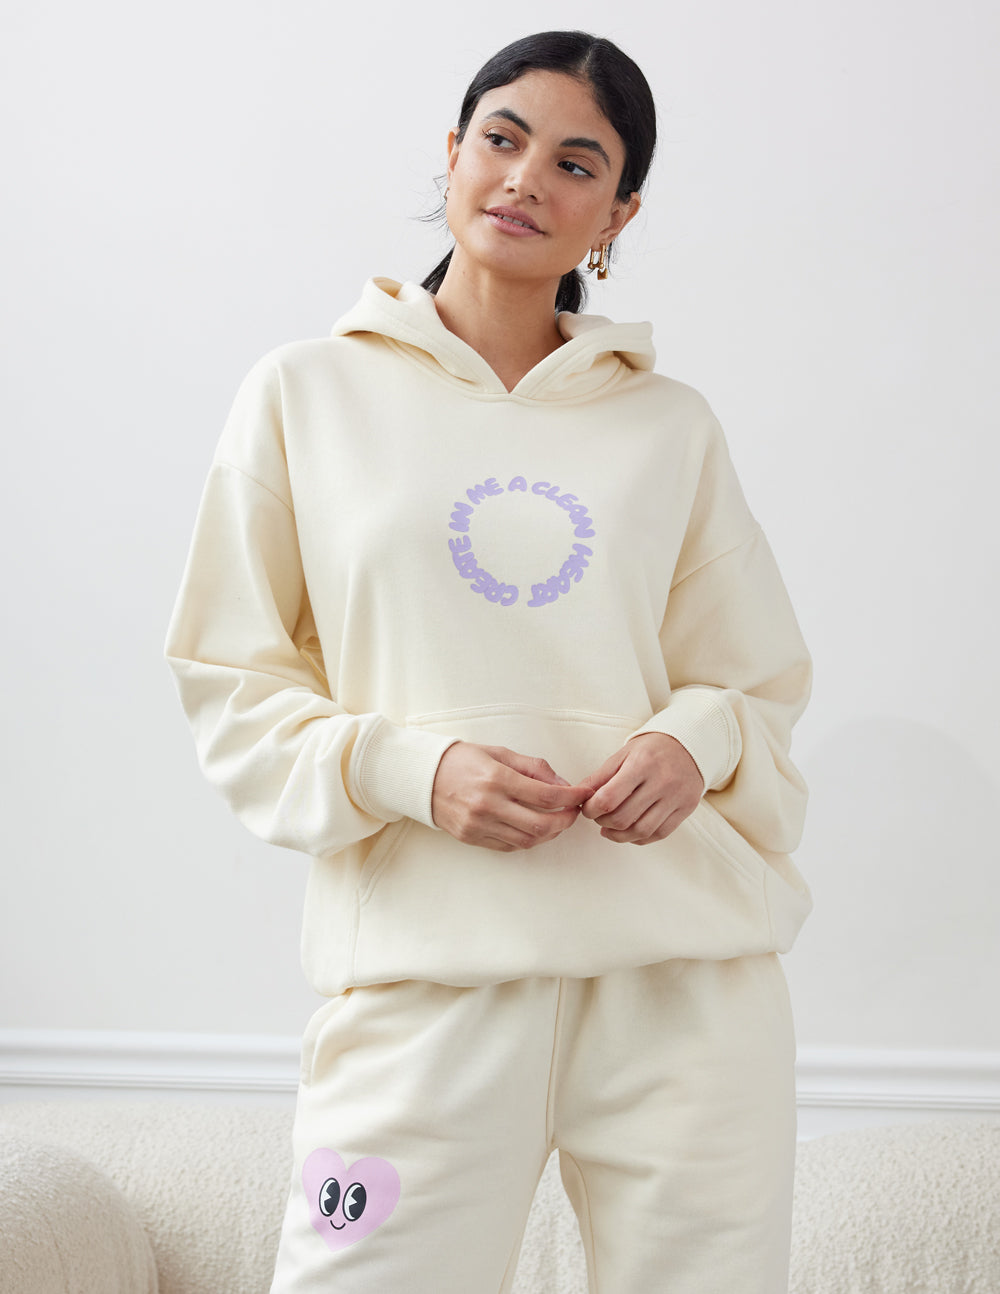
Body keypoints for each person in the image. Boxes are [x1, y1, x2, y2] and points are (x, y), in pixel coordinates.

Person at [166, 29, 812, 1294]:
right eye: (503, 140)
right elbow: (228, 679)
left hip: (684, 974)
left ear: (617, 214)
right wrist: (410, 769)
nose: (525, 179)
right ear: (453, 152)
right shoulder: (304, 394)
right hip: (427, 971)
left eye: (576, 162)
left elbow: (755, 684)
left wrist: (693, 742)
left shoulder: (668, 425)